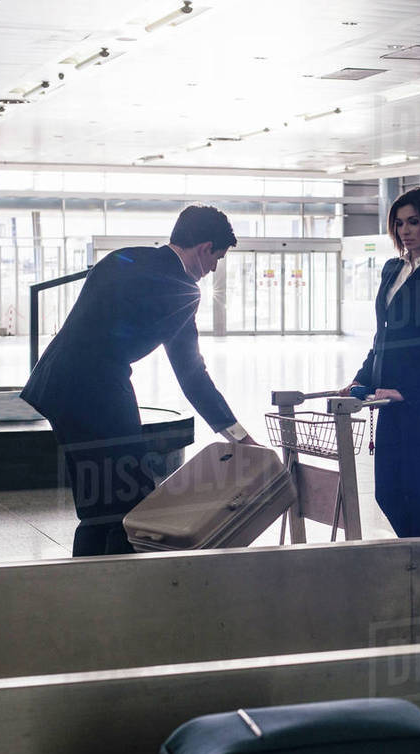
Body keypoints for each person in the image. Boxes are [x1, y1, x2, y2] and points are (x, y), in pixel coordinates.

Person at [21, 205, 257, 557]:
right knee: (132, 504)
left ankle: (85, 577)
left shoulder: (124, 257)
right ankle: (125, 582)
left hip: (55, 384)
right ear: (205, 248)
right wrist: (239, 437)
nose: (212, 270)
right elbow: (191, 374)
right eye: (216, 259)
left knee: (98, 503)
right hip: (97, 390)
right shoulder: (182, 289)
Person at [342, 187, 420, 538]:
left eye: (413, 221)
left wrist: (406, 390)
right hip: (386, 396)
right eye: (399, 223)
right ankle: (414, 551)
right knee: (387, 491)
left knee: (416, 489)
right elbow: (383, 335)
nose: (405, 230)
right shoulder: (392, 269)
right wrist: (362, 378)